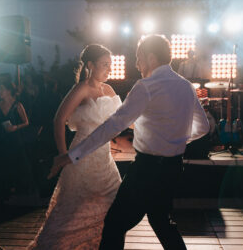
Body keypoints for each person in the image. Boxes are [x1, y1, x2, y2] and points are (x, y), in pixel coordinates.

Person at [48, 35, 210, 250]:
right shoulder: (186, 86)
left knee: (115, 224)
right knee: (161, 221)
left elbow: (113, 125)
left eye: (139, 58)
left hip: (146, 170)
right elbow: (204, 128)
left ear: (151, 58)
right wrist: (175, 140)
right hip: (173, 167)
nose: (136, 64)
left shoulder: (146, 86)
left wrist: (71, 155)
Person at [35, 44, 122, 249]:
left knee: (112, 205)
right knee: (72, 212)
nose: (109, 69)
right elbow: (59, 120)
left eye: (110, 65)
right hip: (81, 158)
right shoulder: (81, 88)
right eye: (104, 65)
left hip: (105, 159)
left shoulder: (109, 89)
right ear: (90, 65)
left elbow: (121, 120)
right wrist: (64, 155)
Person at [0, 82, 34, 200]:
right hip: (1, 138)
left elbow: (26, 122)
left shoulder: (18, 105)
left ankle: (19, 189)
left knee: (16, 163)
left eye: (2, 89)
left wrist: (15, 127)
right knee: (2, 164)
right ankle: (5, 189)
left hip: (14, 139)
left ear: (9, 91)